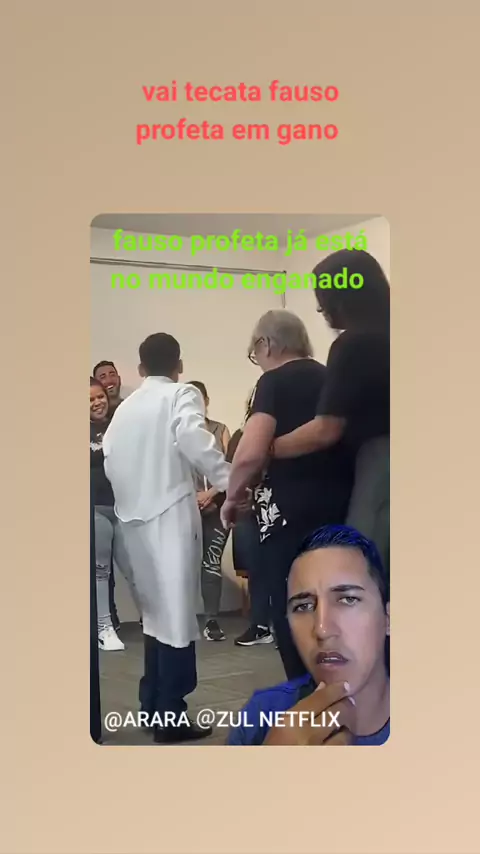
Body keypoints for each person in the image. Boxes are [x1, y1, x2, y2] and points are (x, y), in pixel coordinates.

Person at [102, 334, 233, 744]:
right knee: (175, 617)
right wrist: (231, 479)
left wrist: (131, 501)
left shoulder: (125, 409)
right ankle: (170, 715)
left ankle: (152, 706)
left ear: (141, 368)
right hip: (171, 516)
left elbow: (110, 460)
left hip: (133, 520)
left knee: (155, 617)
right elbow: (195, 440)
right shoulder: (181, 394)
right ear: (179, 365)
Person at [222, 310, 354, 680]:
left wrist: (232, 497)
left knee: (294, 608)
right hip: (340, 509)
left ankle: (308, 695)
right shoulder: (329, 378)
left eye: (254, 352)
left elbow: (249, 453)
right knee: (336, 606)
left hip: (288, 517)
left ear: (266, 344)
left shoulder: (273, 381)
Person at [272, 249, 390, 579]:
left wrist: (268, 449)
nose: (320, 310)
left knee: (365, 568)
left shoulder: (353, 344)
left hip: (381, 465)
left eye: (321, 300)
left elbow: (326, 429)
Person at [227, 524, 390, 746]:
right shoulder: (260, 717)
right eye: (303, 606)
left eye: (348, 599)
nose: (322, 629)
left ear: (388, 618)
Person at [90, 377, 141, 650]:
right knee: (101, 571)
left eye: (100, 397)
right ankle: (104, 628)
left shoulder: (116, 425)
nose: (97, 402)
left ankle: (153, 622)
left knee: (134, 567)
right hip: (95, 509)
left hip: (121, 508)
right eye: (89, 400)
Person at [227, 389, 273, 646]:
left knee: (284, 567)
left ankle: (284, 625)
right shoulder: (240, 435)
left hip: (278, 507)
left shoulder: (287, 433)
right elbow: (231, 468)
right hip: (248, 509)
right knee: (255, 567)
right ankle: (260, 624)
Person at [187, 380, 231, 641]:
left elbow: (229, 467)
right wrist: (192, 497)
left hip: (216, 506)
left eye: (199, 398)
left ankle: (211, 620)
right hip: (185, 508)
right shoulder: (175, 433)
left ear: (206, 401)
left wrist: (211, 494)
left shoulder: (220, 429)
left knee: (211, 562)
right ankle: (181, 619)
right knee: (182, 564)